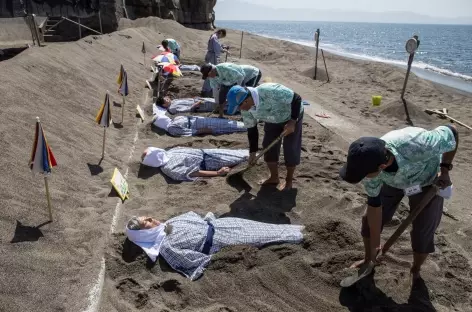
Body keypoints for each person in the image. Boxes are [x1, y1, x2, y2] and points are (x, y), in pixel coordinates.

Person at [339, 125, 459, 280]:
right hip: (392, 182)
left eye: (365, 175)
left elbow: (452, 131)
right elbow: (375, 207)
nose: (365, 178)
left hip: (426, 182)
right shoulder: (369, 166)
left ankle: (415, 270)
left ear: (382, 166)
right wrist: (376, 245)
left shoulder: (419, 144)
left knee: (423, 232)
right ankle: (369, 260)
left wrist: (445, 170)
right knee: (367, 221)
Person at [125, 211, 304, 280]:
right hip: (220, 242)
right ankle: (300, 238)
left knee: (265, 228)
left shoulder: (169, 222)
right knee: (264, 238)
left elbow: (198, 217)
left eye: (147, 216)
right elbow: (192, 263)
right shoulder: (166, 247)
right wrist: (218, 254)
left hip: (221, 225)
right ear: (143, 233)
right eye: (145, 222)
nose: (150, 218)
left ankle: (299, 230)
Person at [226, 83, 304, 191]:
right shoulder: (246, 110)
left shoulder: (270, 91)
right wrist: (252, 152)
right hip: (271, 118)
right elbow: (252, 129)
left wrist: (292, 121)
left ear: (246, 100)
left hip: (291, 115)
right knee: (268, 145)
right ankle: (274, 177)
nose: (239, 110)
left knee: (290, 147)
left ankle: (289, 180)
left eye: (239, 106)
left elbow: (297, 98)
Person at [141, 146, 249, 181]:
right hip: (210, 162)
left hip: (208, 152)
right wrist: (217, 173)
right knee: (244, 158)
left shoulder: (169, 152)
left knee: (240, 154)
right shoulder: (169, 168)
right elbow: (194, 173)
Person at [152, 108, 246, 137]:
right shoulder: (171, 128)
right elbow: (188, 132)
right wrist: (206, 130)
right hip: (198, 125)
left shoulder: (174, 119)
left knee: (224, 122)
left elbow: (190, 116)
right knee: (224, 127)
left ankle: (245, 125)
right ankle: (245, 128)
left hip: (200, 120)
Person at [202, 29, 228, 97]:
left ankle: (207, 88)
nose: (220, 38)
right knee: (211, 72)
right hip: (212, 56)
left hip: (210, 55)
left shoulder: (213, 36)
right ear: (221, 33)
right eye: (221, 36)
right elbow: (217, 48)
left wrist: (222, 48)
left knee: (208, 71)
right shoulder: (215, 37)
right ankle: (207, 89)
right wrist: (223, 50)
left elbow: (217, 46)